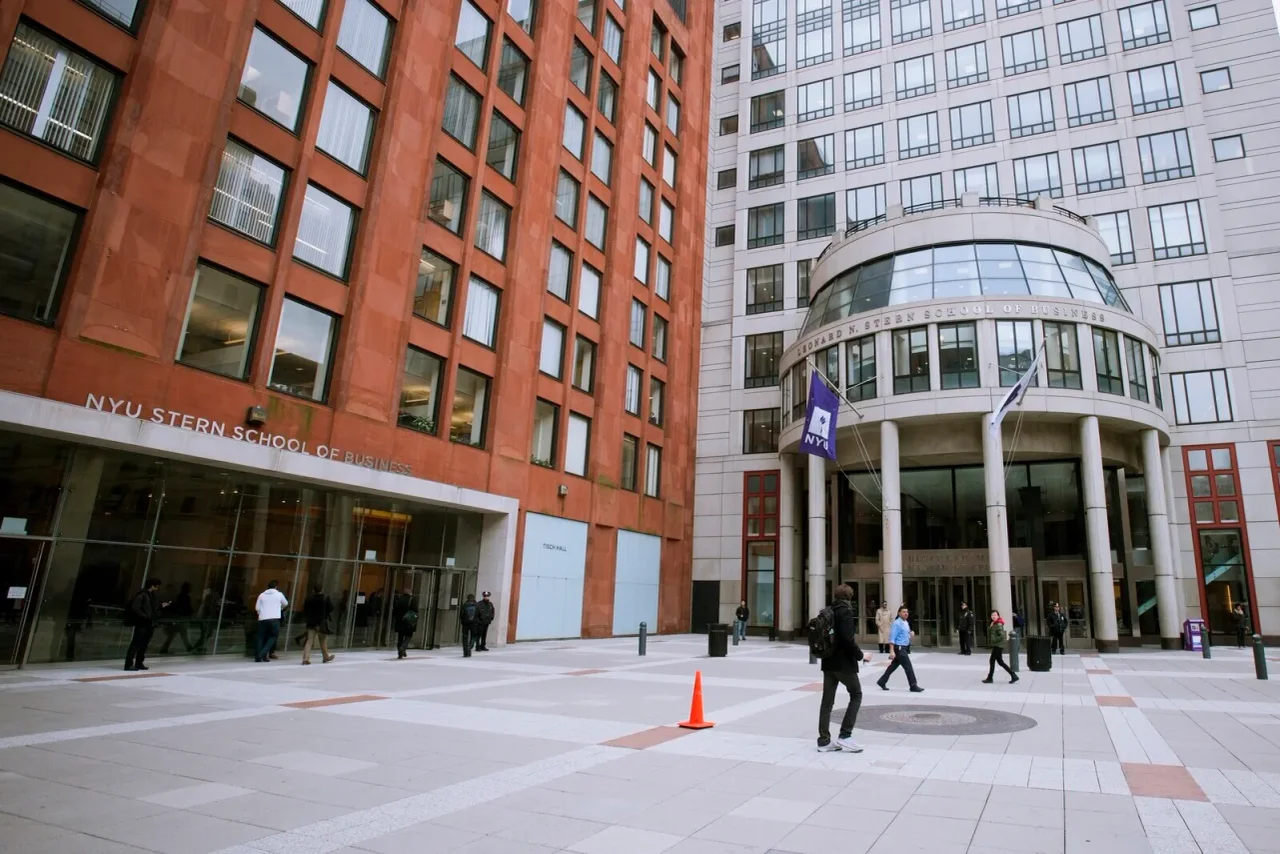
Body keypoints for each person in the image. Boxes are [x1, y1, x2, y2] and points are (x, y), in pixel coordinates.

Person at [817, 584, 873, 752]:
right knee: (856, 695)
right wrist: (861, 656)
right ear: (849, 597)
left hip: (828, 662)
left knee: (827, 702)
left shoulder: (828, 611)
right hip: (844, 664)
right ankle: (845, 735)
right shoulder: (845, 612)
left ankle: (824, 740)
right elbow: (848, 640)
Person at [876, 606, 923, 693]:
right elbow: (892, 638)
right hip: (900, 648)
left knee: (893, 667)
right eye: (904, 612)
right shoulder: (897, 624)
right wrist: (891, 651)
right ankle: (913, 685)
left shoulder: (906, 622)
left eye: (907, 612)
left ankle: (882, 681)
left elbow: (904, 634)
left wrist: (910, 633)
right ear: (899, 613)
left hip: (904, 647)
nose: (906, 613)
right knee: (908, 667)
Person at [124, 578, 164, 671]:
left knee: (144, 644)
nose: (157, 588)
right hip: (142, 623)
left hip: (149, 623)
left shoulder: (151, 596)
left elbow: (152, 609)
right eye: (157, 586)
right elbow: (135, 608)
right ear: (152, 585)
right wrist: (145, 616)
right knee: (136, 643)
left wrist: (161, 606)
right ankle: (129, 664)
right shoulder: (142, 595)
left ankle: (139, 662)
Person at [301, 581, 335, 665]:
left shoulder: (309, 598)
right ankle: (325, 657)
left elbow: (305, 610)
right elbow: (331, 608)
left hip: (311, 622)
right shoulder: (325, 598)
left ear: (314, 590)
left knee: (309, 641)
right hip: (321, 622)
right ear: (322, 589)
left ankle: (305, 659)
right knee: (322, 640)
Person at [254, 580, 288, 663]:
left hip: (262, 619)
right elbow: (285, 603)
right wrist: (280, 608)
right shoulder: (279, 594)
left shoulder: (262, 595)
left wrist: (262, 612)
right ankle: (262, 654)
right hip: (274, 619)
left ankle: (260, 655)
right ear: (276, 587)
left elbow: (257, 608)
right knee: (273, 636)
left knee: (261, 637)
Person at [982, 610, 1018, 684]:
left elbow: (1001, 636)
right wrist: (991, 627)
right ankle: (1013, 675)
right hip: (998, 645)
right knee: (1000, 662)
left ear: (998, 616)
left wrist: (994, 640)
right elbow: (991, 633)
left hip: (998, 645)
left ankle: (990, 677)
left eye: (995, 615)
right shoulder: (994, 624)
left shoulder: (998, 624)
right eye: (992, 615)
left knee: (992, 660)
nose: (993, 616)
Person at [159, 581, 194, 655]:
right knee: (182, 634)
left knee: (174, 634)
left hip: (179, 617)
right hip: (182, 618)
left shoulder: (180, 596)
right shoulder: (185, 597)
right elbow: (186, 608)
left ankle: (165, 648)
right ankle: (188, 647)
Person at [392, 587, 418, 659]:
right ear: (410, 592)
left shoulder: (399, 599)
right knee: (408, 636)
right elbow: (415, 609)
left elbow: (395, 610)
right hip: (408, 620)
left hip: (399, 620)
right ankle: (403, 648)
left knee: (400, 636)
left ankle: (400, 653)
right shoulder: (412, 599)